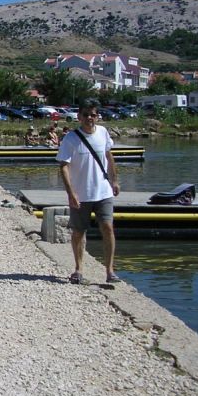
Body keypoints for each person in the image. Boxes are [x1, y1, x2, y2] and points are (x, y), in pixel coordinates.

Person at [56, 99, 121, 284]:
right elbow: (64, 166)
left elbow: (108, 156)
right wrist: (71, 193)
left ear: (97, 116)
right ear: (79, 116)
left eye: (93, 114)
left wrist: (114, 180)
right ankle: (78, 269)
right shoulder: (71, 139)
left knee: (108, 228)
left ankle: (109, 271)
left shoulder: (103, 133)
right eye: (86, 114)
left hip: (103, 191)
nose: (89, 118)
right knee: (78, 231)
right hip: (81, 194)